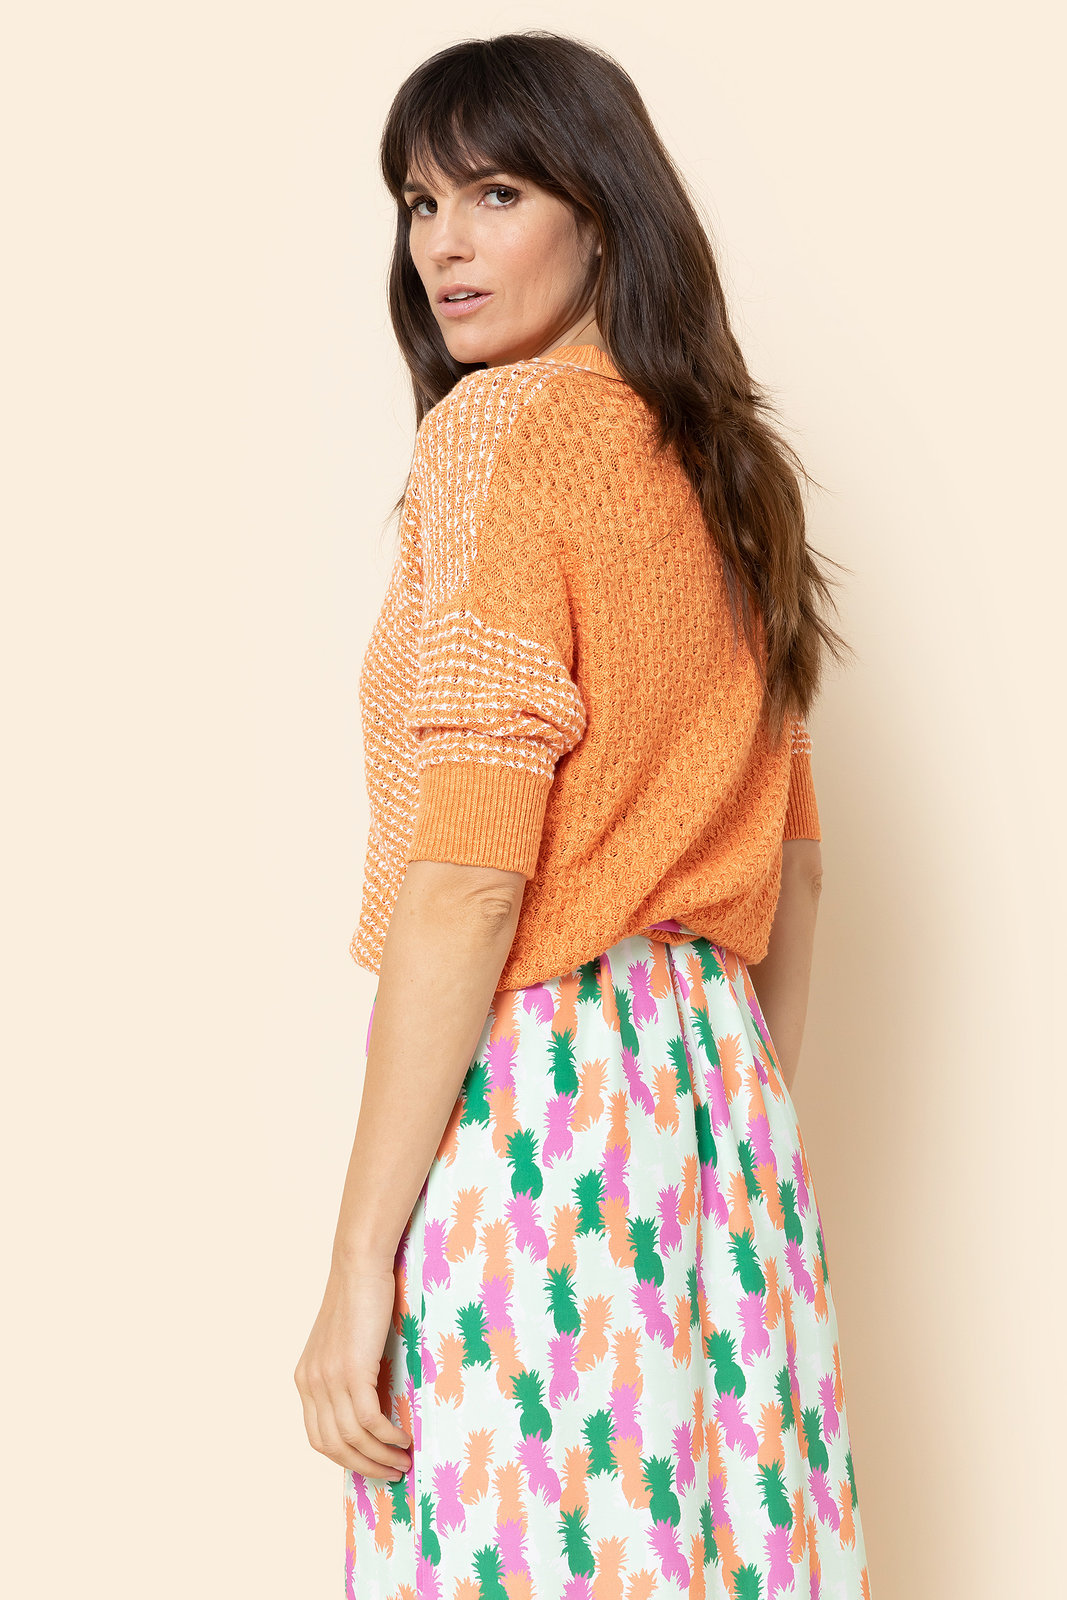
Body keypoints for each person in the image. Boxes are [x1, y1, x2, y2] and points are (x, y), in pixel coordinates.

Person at [294, 28, 874, 1599]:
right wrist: (730, 1124)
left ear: (603, 215)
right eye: (421, 203)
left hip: (540, 1092)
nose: (446, 244)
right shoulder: (731, 473)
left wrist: (358, 1260)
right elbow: (797, 871)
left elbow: (472, 881)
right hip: (721, 1108)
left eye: (497, 193)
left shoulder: (501, 433)